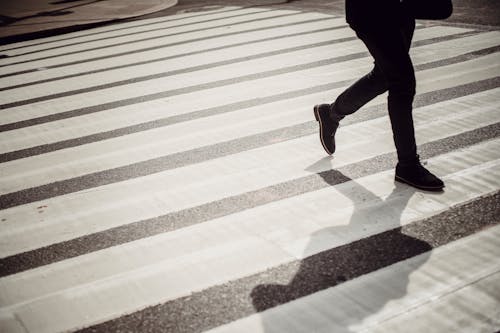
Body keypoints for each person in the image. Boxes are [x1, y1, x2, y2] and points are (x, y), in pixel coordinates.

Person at [314, 0, 453, 191]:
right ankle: (407, 164)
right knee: (402, 82)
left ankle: (331, 114)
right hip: (373, 10)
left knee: (384, 77)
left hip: (401, 11)